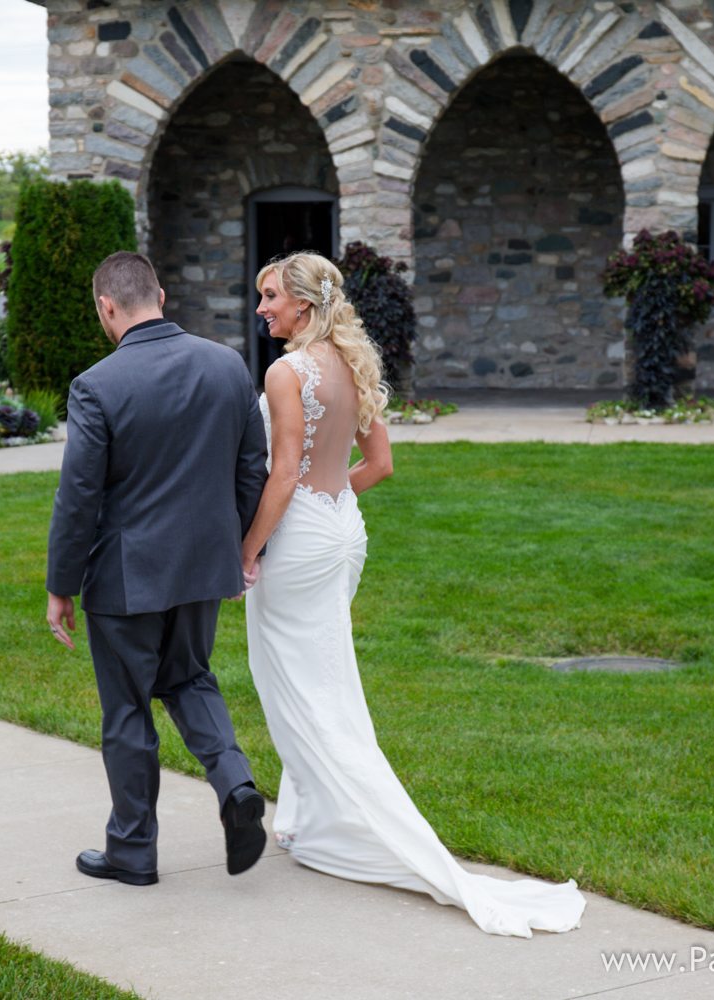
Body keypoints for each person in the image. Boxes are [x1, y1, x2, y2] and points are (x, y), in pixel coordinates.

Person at [241, 251, 587, 937]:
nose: (262, 308)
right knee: (326, 680)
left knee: (294, 685)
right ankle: (307, 816)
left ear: (303, 304)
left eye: (271, 296)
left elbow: (281, 478)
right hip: (344, 534)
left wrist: (247, 550)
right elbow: (380, 465)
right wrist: (327, 501)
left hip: (301, 542)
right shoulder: (352, 364)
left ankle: (340, 818)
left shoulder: (287, 372)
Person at [46, 251, 270, 886]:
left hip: (127, 576)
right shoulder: (228, 366)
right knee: (190, 677)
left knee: (126, 710)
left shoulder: (96, 385)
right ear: (162, 295)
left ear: (106, 307)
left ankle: (132, 850)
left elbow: (79, 496)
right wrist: (240, 548)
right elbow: (251, 468)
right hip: (204, 565)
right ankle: (236, 784)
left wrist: (61, 585)